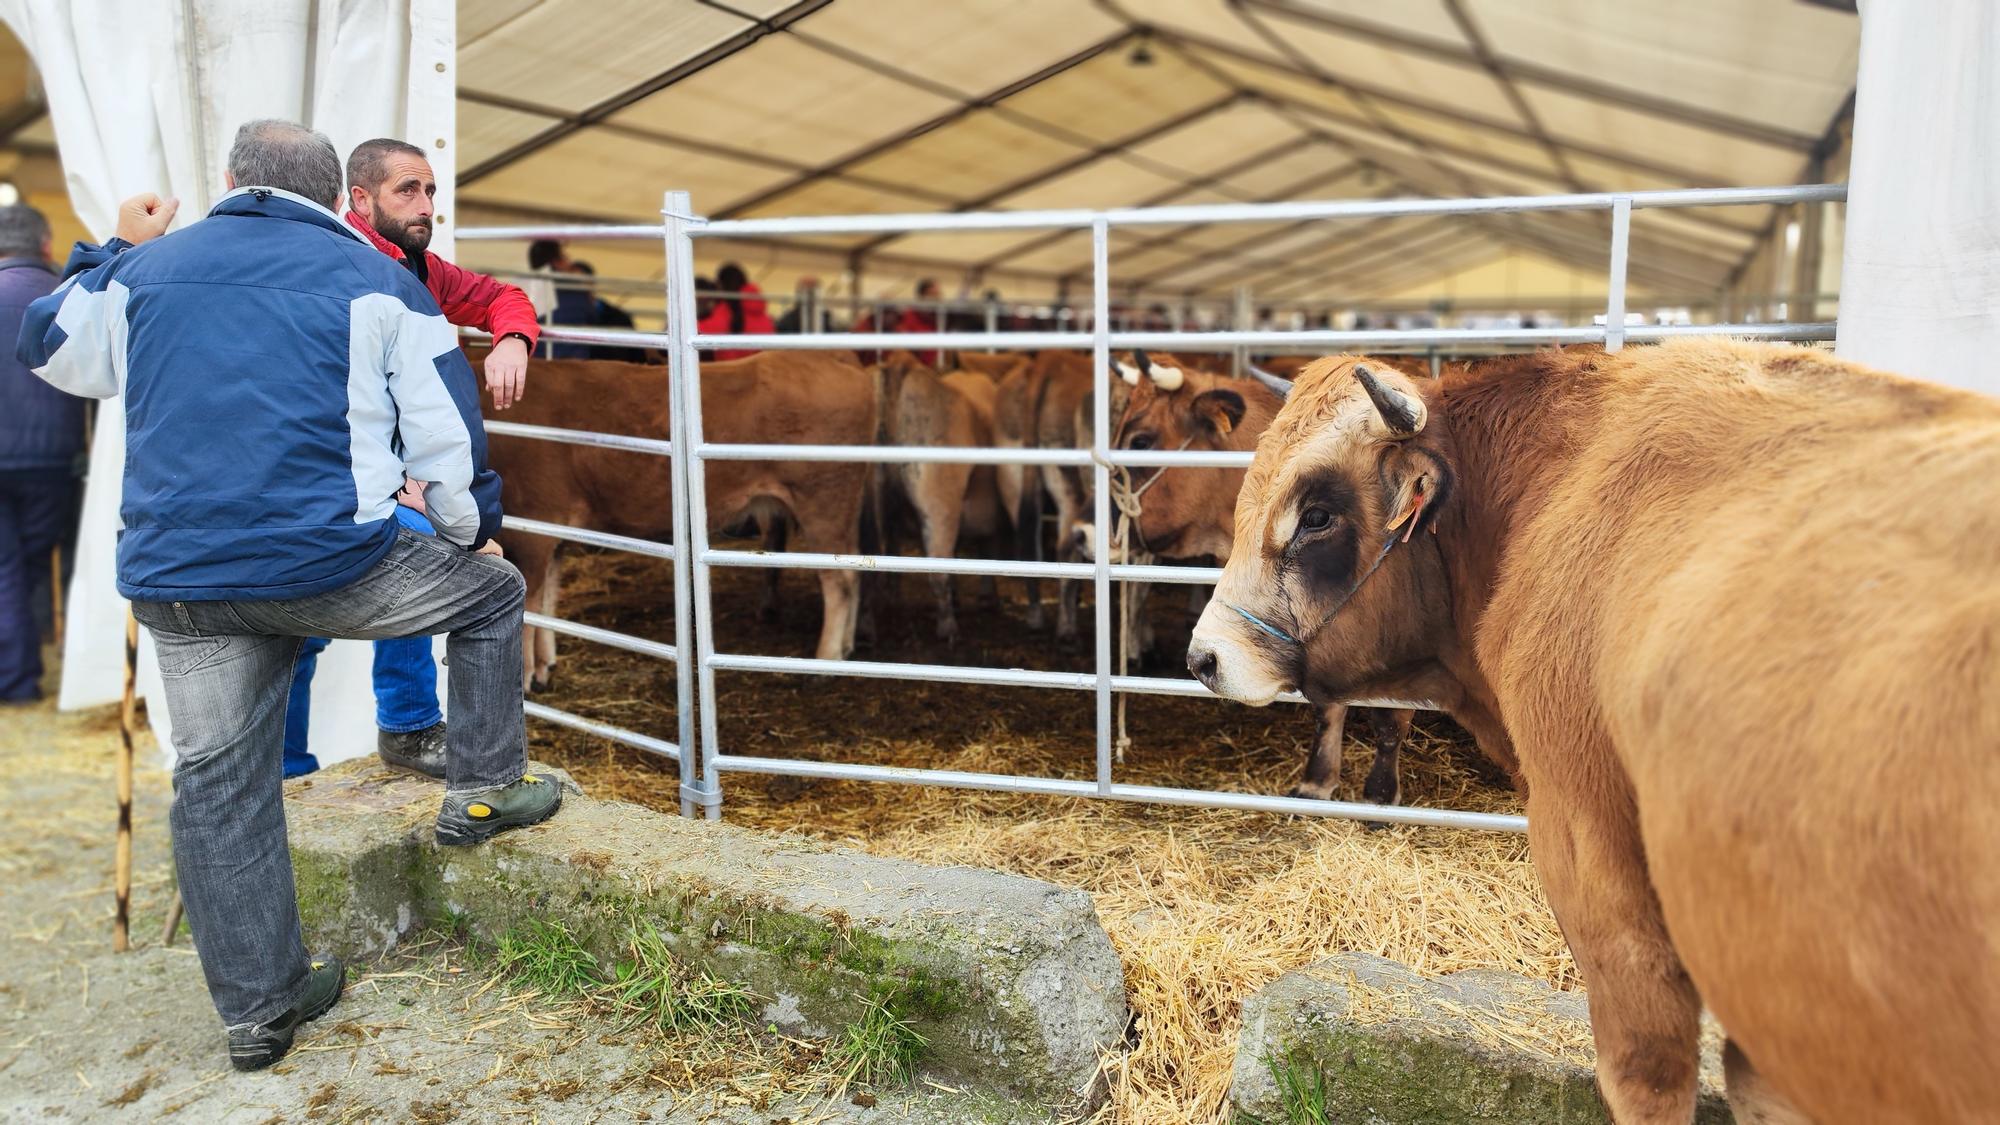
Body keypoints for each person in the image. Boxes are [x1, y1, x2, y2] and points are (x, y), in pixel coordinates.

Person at [17, 119, 561, 1070]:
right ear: (332, 196)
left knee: (218, 785)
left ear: (228, 180)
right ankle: (478, 792)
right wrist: (470, 529)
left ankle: (260, 1012)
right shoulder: (382, 280)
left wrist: (117, 247)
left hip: (182, 585)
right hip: (330, 566)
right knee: (490, 592)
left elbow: (51, 347)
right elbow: (444, 434)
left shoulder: (146, 271)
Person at [276, 138, 544, 780]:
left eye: (430, 192)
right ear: (359, 199)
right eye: (408, 191)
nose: (426, 206)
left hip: (391, 484)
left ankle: (407, 727)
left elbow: (500, 296)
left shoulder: (419, 269)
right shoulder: (325, 264)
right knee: (301, 624)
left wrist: (511, 340)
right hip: (315, 477)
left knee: (419, 567)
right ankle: (287, 766)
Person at [0, 203, 70, 702]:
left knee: (7, 569)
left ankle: (18, 679)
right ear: (45, 245)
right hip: (57, 459)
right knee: (31, 564)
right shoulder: (66, 295)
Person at [526, 238, 592, 359]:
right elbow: (592, 317)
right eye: (564, 256)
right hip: (572, 364)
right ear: (556, 262)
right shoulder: (576, 293)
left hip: (536, 362)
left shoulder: (528, 292)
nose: (569, 259)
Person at [697, 262, 774, 360]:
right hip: (759, 372)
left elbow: (700, 331)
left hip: (730, 372)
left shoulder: (726, 311)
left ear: (722, 285)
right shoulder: (766, 318)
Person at [895, 278, 942, 365]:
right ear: (921, 296)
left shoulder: (940, 318)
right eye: (932, 294)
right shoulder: (909, 316)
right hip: (915, 368)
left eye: (938, 295)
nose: (936, 298)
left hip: (938, 368)